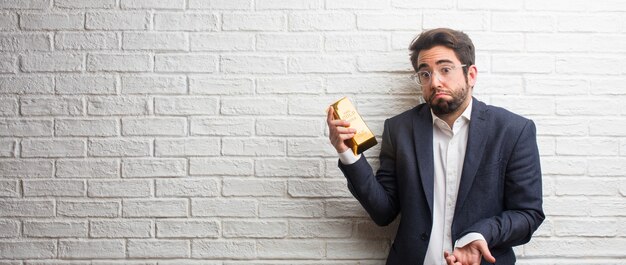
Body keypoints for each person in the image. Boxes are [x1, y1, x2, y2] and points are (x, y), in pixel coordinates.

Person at [326, 28, 544, 265]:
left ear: (471, 75)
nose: (435, 81)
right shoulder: (399, 130)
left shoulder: (513, 130)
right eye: (425, 74)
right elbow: (383, 212)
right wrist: (348, 153)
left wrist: (482, 233)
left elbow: (528, 214)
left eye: (445, 69)